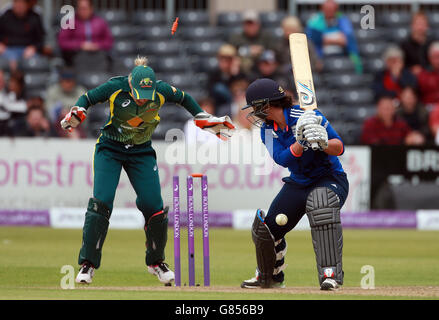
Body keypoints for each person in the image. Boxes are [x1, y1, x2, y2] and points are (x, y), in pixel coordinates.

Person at [60, 56, 235, 285]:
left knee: (154, 206)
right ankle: (88, 264)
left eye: (147, 97)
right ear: (131, 85)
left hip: (141, 152)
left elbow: (185, 99)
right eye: (139, 97)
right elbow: (87, 97)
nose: (143, 102)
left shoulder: (160, 90)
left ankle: (156, 262)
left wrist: (204, 119)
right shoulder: (116, 86)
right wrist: (78, 111)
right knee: (101, 202)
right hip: (110, 149)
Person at [240, 78, 348, 290]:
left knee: (321, 204)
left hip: (329, 178)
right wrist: (301, 142)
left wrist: (323, 142)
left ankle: (330, 275)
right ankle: (270, 275)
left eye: (255, 106)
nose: (254, 111)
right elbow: (281, 159)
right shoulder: (266, 130)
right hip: (299, 182)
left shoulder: (309, 116)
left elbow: (339, 147)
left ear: (267, 104)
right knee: (266, 229)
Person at [306, 0, 362, 74]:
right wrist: (336, 39)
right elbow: (314, 39)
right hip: (321, 56)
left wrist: (326, 39)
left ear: (336, 10)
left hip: (342, 54)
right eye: (327, 10)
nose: (329, 12)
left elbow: (346, 39)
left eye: (331, 10)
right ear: (322, 9)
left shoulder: (342, 19)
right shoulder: (315, 21)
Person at [57, 0, 113, 66]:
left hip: (98, 56)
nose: (82, 11)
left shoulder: (100, 22)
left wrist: (97, 45)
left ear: (91, 9)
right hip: (76, 57)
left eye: (85, 8)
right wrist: (80, 45)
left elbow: (109, 41)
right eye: (80, 8)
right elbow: (62, 42)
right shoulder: (70, 22)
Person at [0, 0, 45, 70]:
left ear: (27, 5)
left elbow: (41, 40)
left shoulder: (35, 17)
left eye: (22, 3)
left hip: (27, 50)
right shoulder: (6, 16)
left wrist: (34, 48)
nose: (19, 6)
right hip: (8, 50)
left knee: (35, 62)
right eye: (17, 3)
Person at [229, 10, 276, 74]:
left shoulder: (266, 37)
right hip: (243, 72)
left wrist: (261, 51)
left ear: (258, 24)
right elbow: (231, 52)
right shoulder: (237, 38)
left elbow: (274, 52)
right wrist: (248, 50)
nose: (250, 27)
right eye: (247, 24)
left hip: (263, 69)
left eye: (252, 24)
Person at [207, 44, 245, 108]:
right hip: (219, 103)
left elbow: (241, 87)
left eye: (227, 60)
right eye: (222, 59)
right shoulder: (215, 73)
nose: (224, 62)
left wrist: (235, 74)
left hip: (236, 101)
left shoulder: (239, 73)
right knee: (219, 88)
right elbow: (211, 90)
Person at [400, 11, 433, 76]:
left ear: (427, 26)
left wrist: (423, 70)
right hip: (410, 78)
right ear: (412, 25)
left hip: (429, 79)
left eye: (423, 24)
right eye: (417, 24)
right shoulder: (404, 45)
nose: (420, 27)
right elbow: (401, 66)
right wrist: (411, 69)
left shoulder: (432, 44)